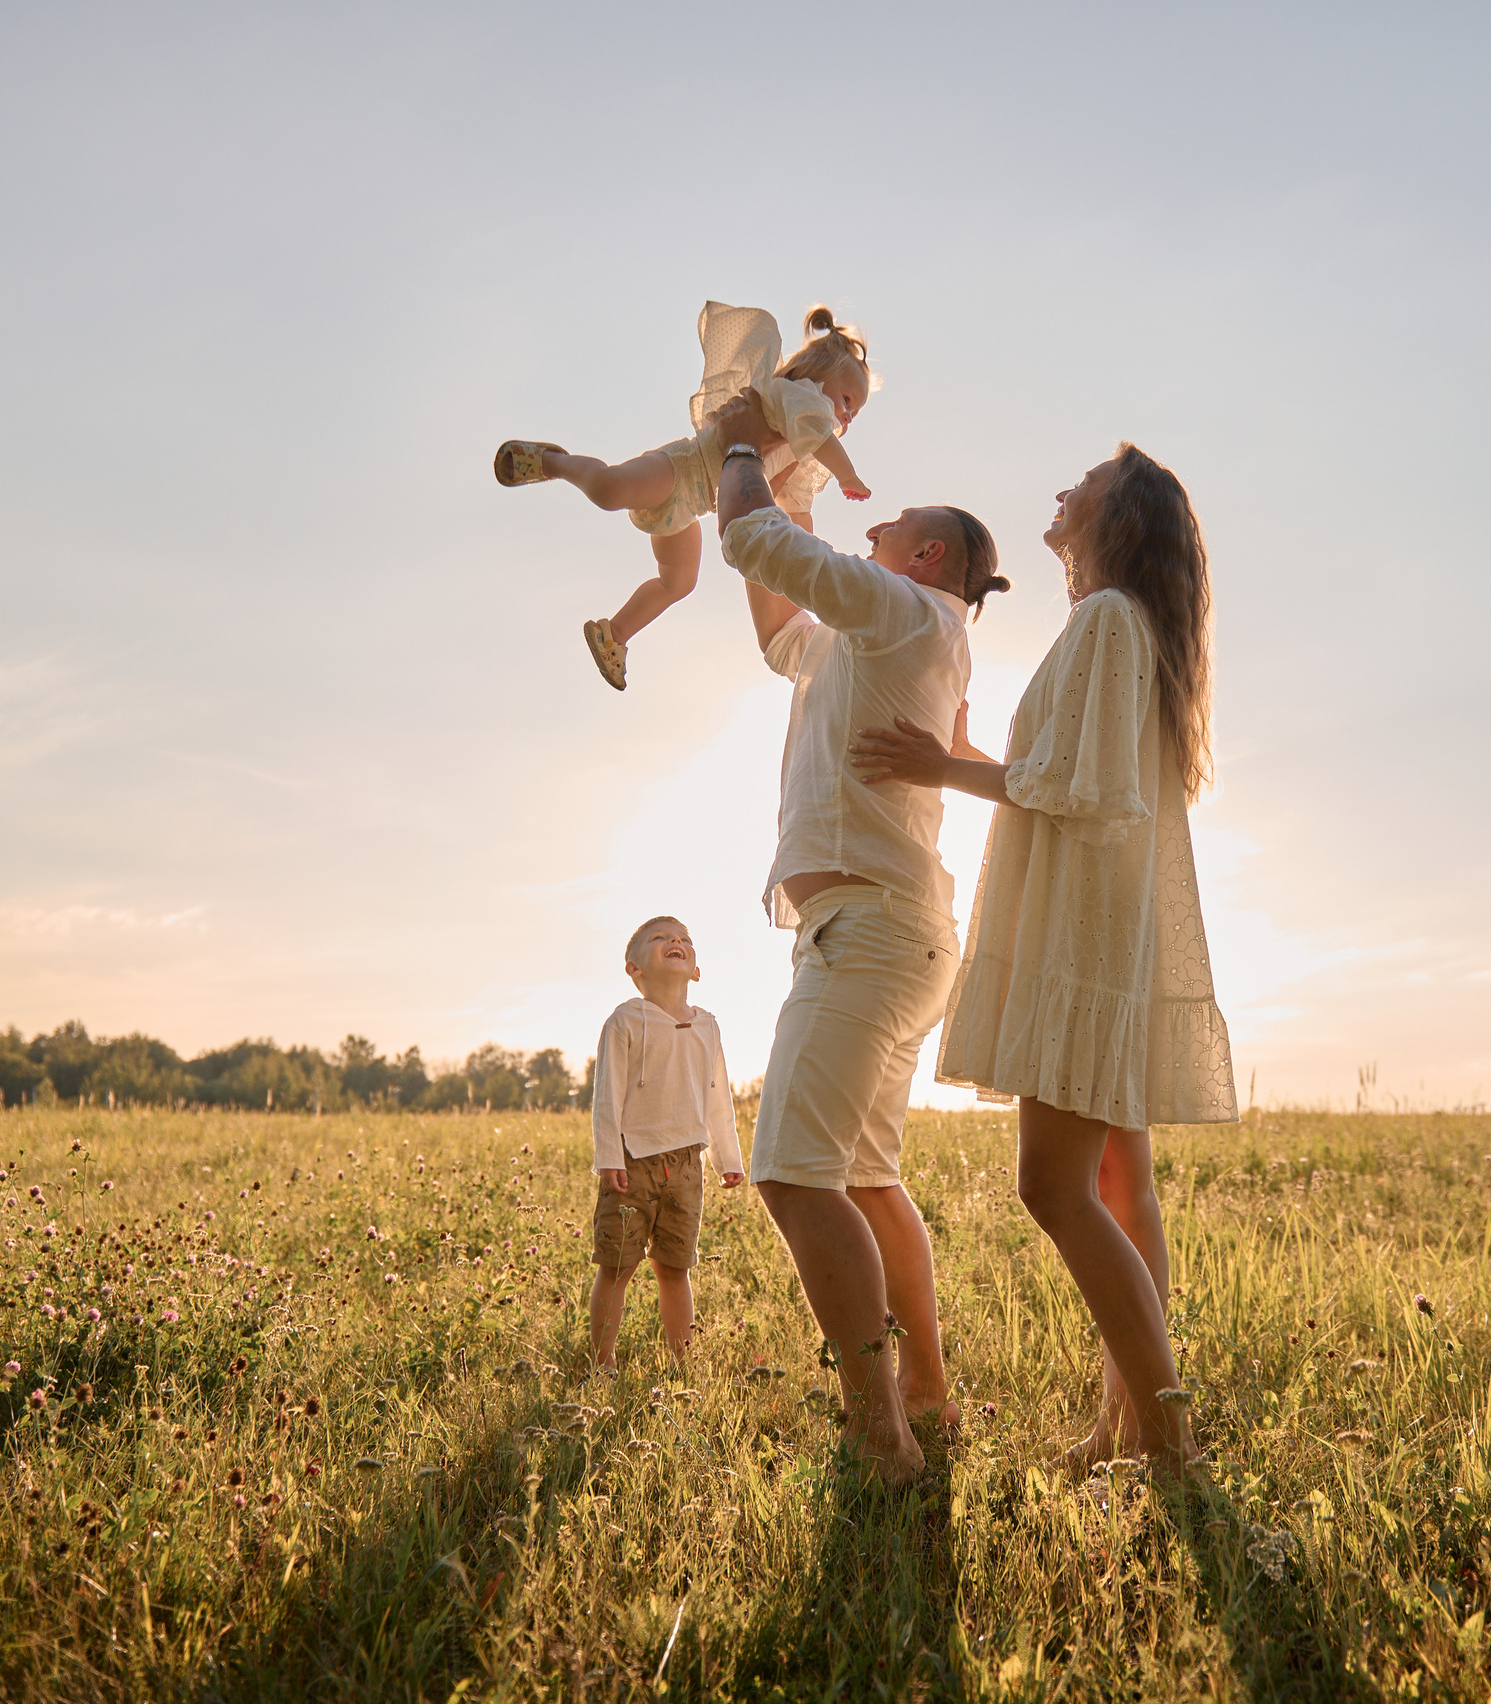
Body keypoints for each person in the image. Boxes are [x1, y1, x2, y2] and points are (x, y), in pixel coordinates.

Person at [847, 444, 1237, 1472]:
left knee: (1052, 1186)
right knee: (1117, 1184)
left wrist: (943, 767)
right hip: (1106, 921)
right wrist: (970, 759)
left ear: (1122, 515)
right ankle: (1126, 1425)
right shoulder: (1113, 625)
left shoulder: (1107, 620)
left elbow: (1085, 788)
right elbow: (1071, 775)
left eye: (1088, 484)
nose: (1063, 492)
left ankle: (1165, 1440)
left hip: (1083, 930)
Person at [706, 387, 1010, 1484]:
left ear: (925, 554)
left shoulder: (905, 610)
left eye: (889, 528)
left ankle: (880, 1433)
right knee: (869, 1178)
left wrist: (737, 439)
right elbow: (776, 612)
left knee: (793, 1177)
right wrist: (780, 477)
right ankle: (923, 1395)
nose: (868, 532)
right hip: (890, 931)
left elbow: (749, 534)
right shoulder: (875, 633)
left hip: (871, 933)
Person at [494, 303, 874, 691]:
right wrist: (848, 475)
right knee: (611, 490)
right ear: (818, 375)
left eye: (854, 412)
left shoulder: (797, 441)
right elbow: (820, 434)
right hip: (681, 469)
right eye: (846, 400)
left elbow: (776, 497)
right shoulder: (799, 397)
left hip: (692, 508)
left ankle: (615, 634)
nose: (846, 416)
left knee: (678, 581)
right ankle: (552, 461)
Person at [587, 914, 745, 1372]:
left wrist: (726, 1156)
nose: (675, 941)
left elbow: (718, 1098)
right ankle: (603, 1364)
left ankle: (683, 1365)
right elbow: (607, 1095)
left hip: (688, 1163)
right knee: (616, 1266)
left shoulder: (707, 1026)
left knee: (676, 1268)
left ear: (696, 969)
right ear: (633, 968)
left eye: (683, 939)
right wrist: (608, 1157)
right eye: (659, 938)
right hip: (632, 1161)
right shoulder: (626, 1021)